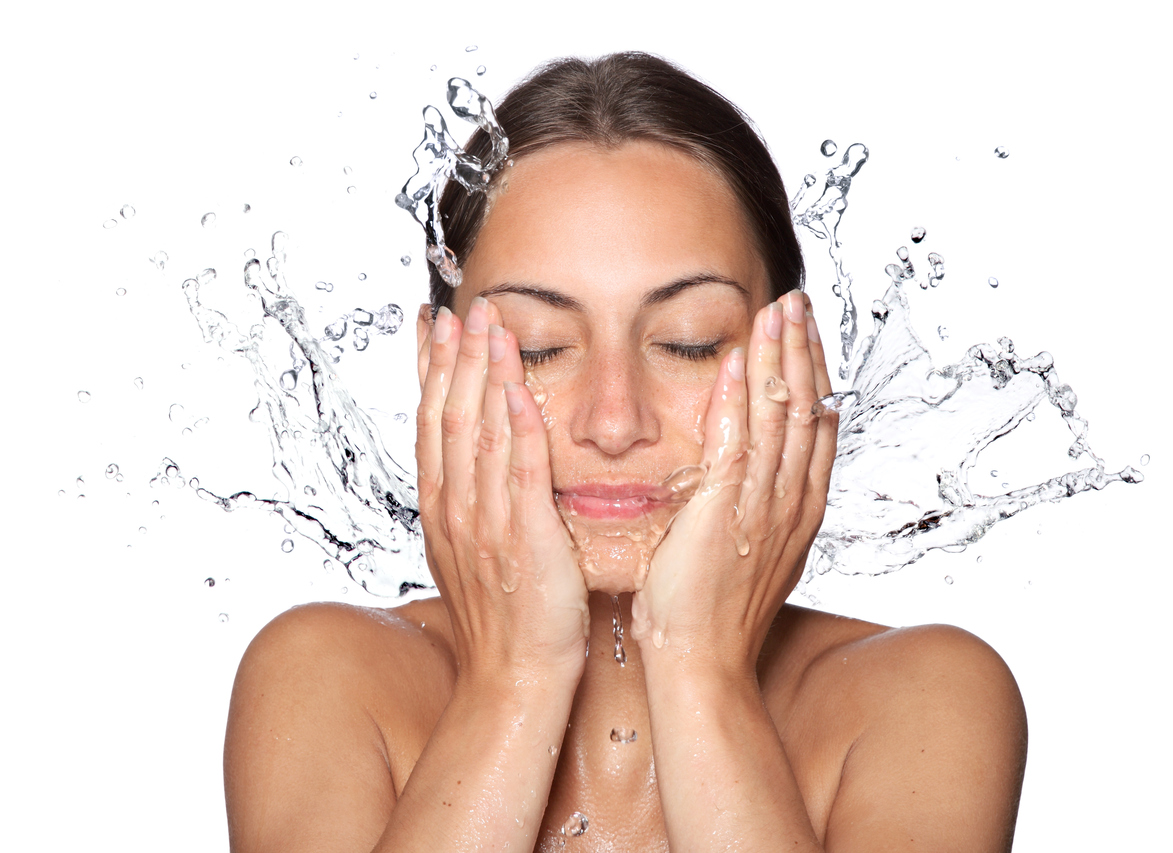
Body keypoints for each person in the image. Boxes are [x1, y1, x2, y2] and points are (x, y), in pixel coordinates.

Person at [223, 53, 1027, 852]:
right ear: (439, 372)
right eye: (537, 348)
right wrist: (515, 682)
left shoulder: (924, 698)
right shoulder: (324, 679)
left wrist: (700, 667)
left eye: (688, 342)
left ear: (793, 367)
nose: (614, 421)